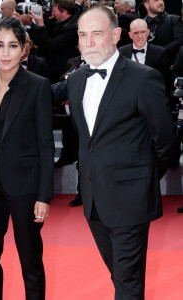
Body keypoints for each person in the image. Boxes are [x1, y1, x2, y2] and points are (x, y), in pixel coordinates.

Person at [67, 6, 177, 299]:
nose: (88, 42)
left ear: (116, 35)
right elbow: (87, 140)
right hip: (93, 199)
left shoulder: (143, 78)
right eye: (82, 35)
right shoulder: (76, 80)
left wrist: (142, 180)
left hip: (131, 200)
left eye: (96, 34)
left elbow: (166, 140)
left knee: (127, 282)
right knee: (120, 276)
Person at [0, 17, 54, 300]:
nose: (5, 53)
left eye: (12, 46)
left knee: (30, 259)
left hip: (25, 187)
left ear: (23, 49)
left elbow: (45, 144)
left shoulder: (38, 85)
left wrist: (44, 195)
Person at [30, 0, 80, 82]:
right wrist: (48, 20)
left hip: (60, 70)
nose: (52, 13)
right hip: (52, 66)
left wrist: (40, 25)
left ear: (64, 12)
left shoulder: (73, 28)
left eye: (54, 11)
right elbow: (49, 36)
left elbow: (51, 44)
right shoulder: (62, 20)